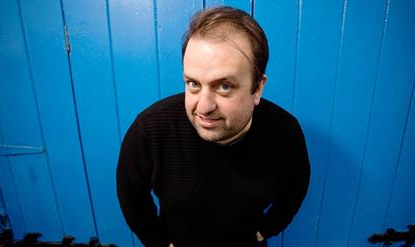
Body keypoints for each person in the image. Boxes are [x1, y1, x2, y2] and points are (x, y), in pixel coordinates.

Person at [117, 6, 310, 247]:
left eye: (224, 86)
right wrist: (160, 242)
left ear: (257, 88)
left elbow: (296, 188)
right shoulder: (150, 131)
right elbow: (131, 197)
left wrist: (267, 229)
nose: (204, 107)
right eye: (193, 83)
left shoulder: (285, 133)